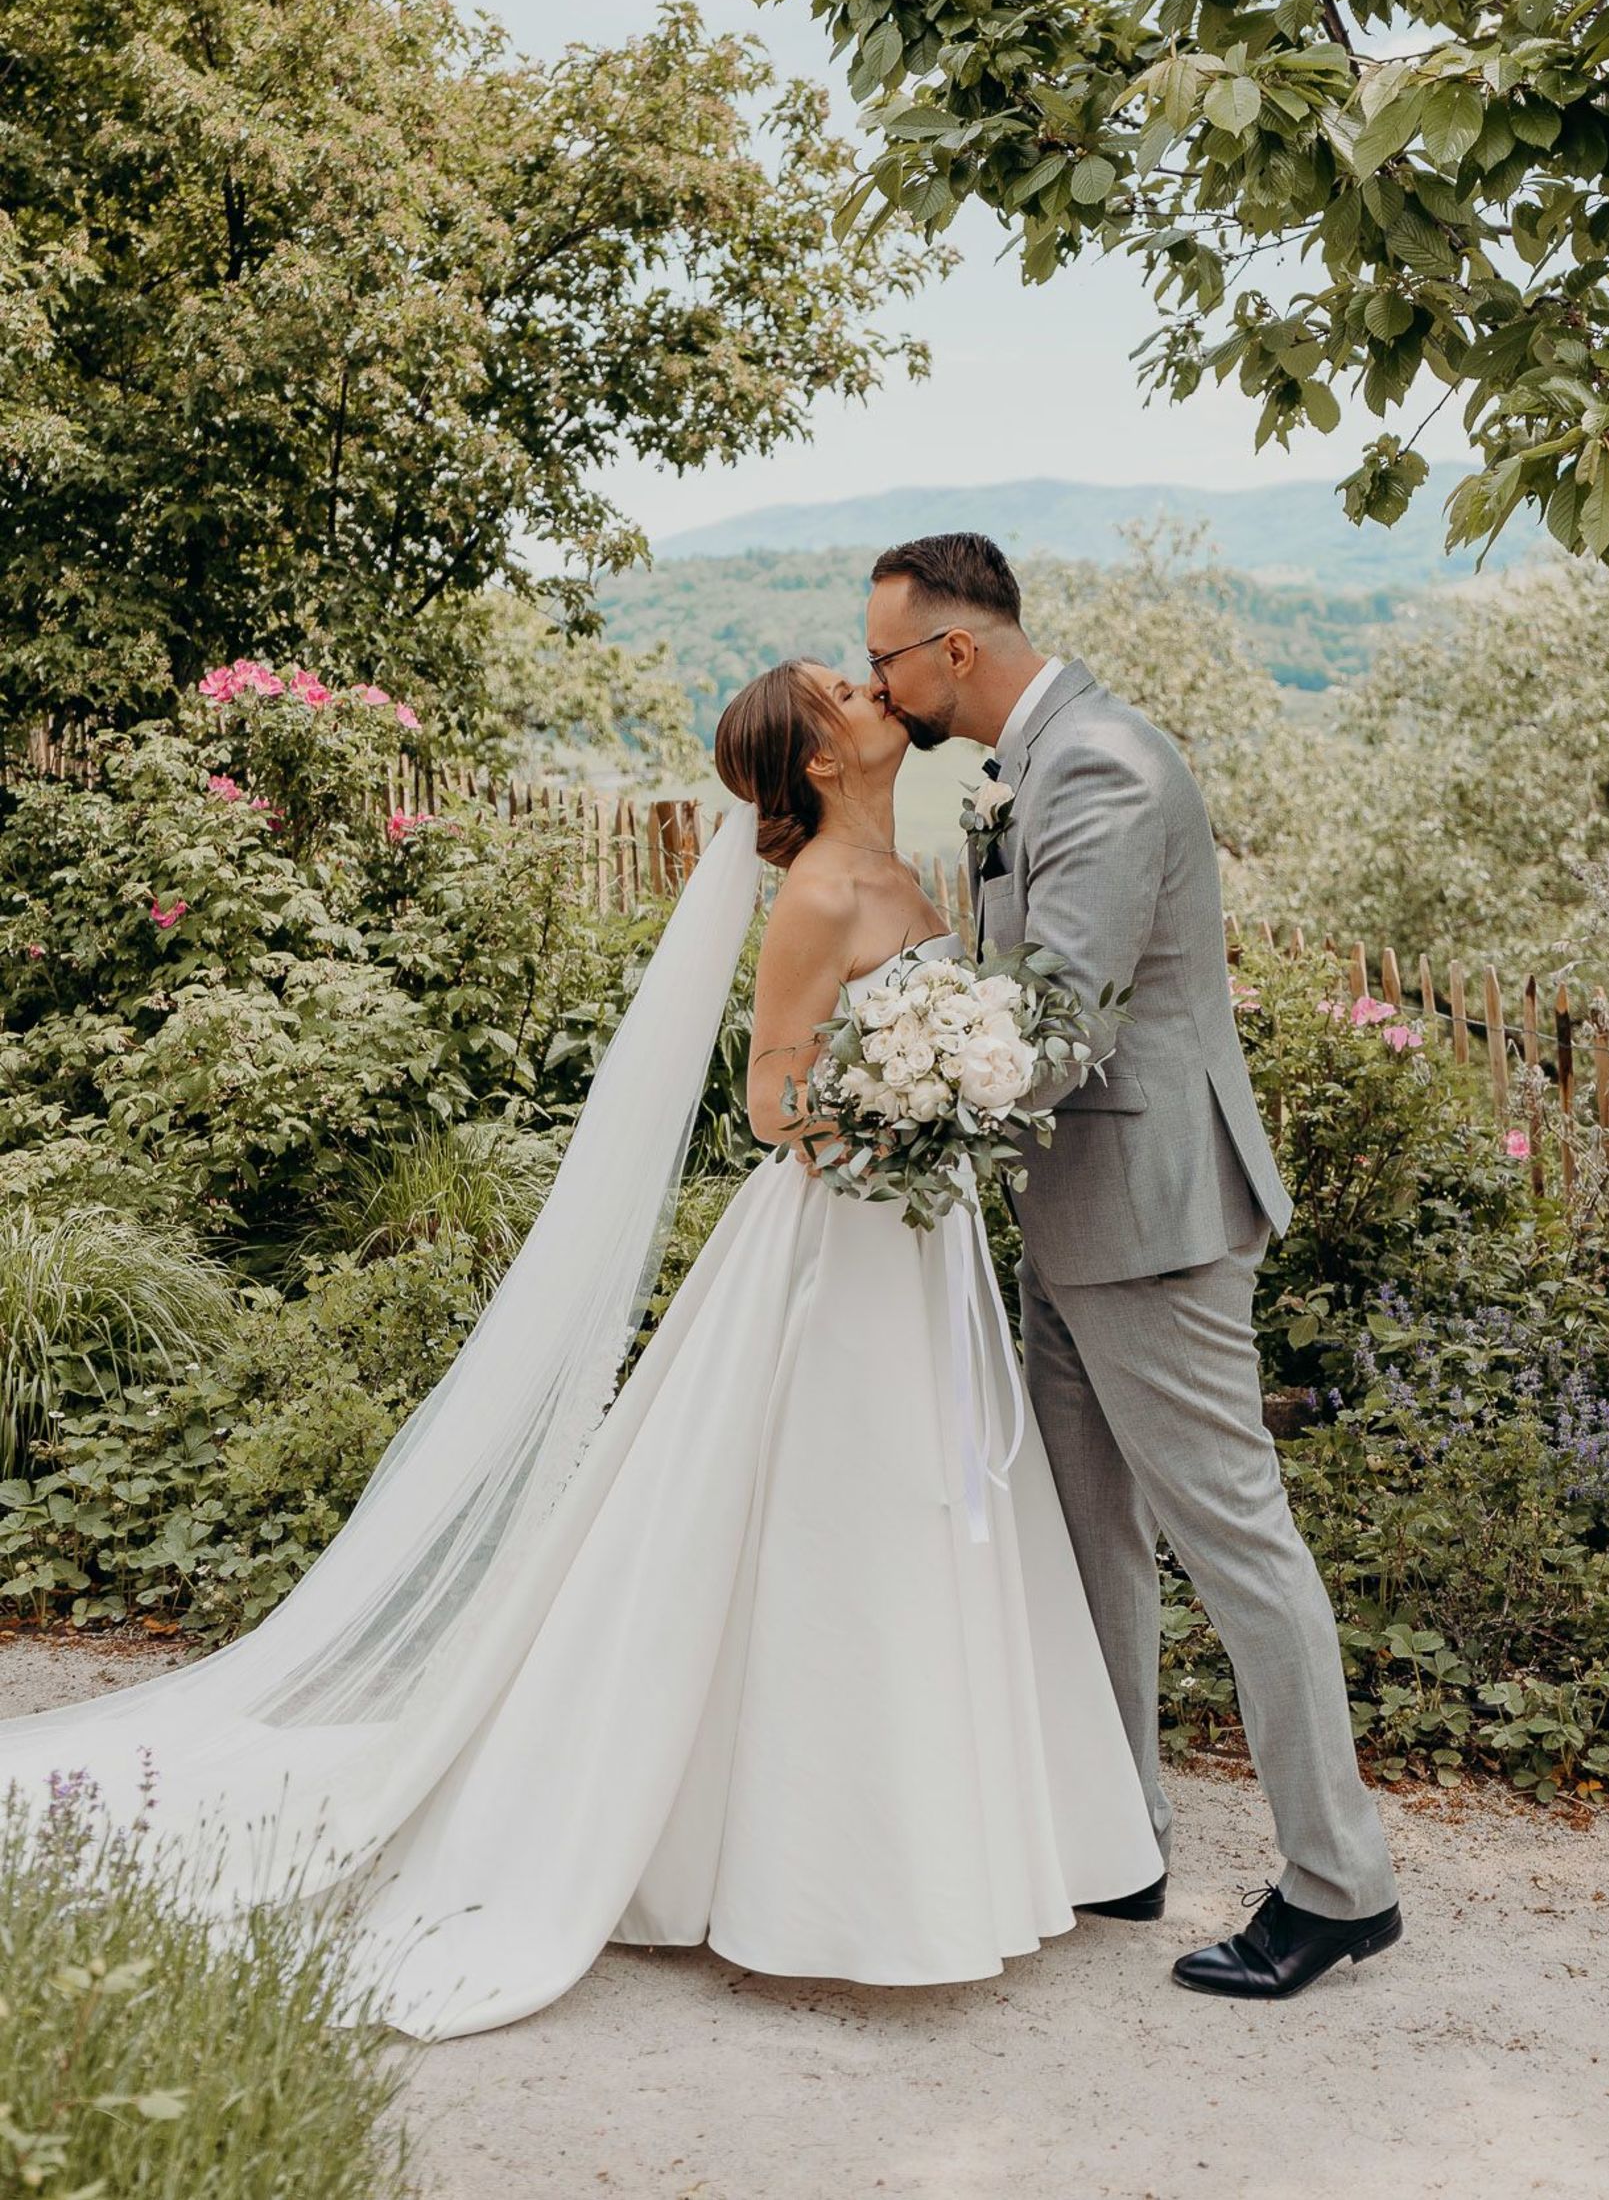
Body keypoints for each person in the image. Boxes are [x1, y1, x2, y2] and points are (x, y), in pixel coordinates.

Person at [0, 658, 1161, 2039]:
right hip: (840, 1248)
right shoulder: (817, 895)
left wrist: (954, 1086)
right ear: (818, 759)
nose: (872, 692)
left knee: (937, 1505)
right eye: (845, 693)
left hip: (923, 1241)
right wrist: (906, 1103)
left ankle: (962, 1846)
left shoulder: (907, 872)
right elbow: (771, 1098)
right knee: (847, 1517)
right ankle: (827, 1875)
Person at [864, 531, 1403, 2000]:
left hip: (1152, 1219)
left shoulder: (1098, 765)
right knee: (1087, 1530)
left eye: (886, 658)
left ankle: (1340, 1883)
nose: (878, 683)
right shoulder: (1029, 764)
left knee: (1236, 1540)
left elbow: (1060, 1019)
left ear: (956, 650)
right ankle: (1119, 1836)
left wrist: (901, 1084)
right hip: (1074, 1209)